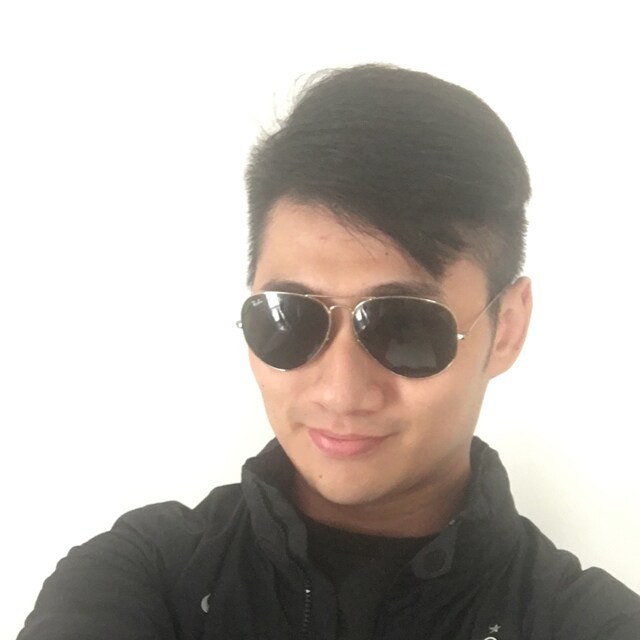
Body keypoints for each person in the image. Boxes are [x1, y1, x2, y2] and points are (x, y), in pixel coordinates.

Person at [18, 64, 639, 639]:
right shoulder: (142, 578)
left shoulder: (589, 624)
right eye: (290, 317)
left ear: (507, 327)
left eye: (405, 326)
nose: (340, 390)